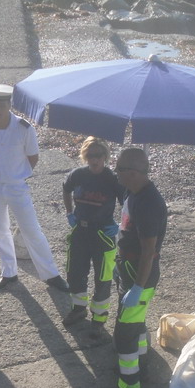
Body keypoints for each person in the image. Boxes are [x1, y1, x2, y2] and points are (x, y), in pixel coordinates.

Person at [0, 83, 68, 292]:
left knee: (31, 230)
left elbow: (33, 157)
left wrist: (17, 174)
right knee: (0, 230)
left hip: (16, 185)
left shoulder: (24, 128)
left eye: (1, 106)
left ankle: (51, 274)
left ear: (9, 105)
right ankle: (9, 272)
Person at [102, 148, 167, 388]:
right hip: (127, 267)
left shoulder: (149, 204)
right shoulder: (132, 192)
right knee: (136, 324)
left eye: (119, 169)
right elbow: (128, 225)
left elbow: (149, 251)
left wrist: (138, 287)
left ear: (134, 172)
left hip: (140, 275)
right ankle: (141, 365)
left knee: (124, 335)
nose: (115, 173)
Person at [61, 137, 124, 337]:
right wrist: (69, 212)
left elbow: (128, 203)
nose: (94, 159)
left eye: (98, 155)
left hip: (103, 234)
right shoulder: (78, 175)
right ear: (84, 156)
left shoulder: (112, 179)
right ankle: (79, 309)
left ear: (105, 156)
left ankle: (99, 318)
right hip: (80, 231)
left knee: (103, 278)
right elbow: (66, 189)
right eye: (90, 155)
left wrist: (120, 225)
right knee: (75, 272)